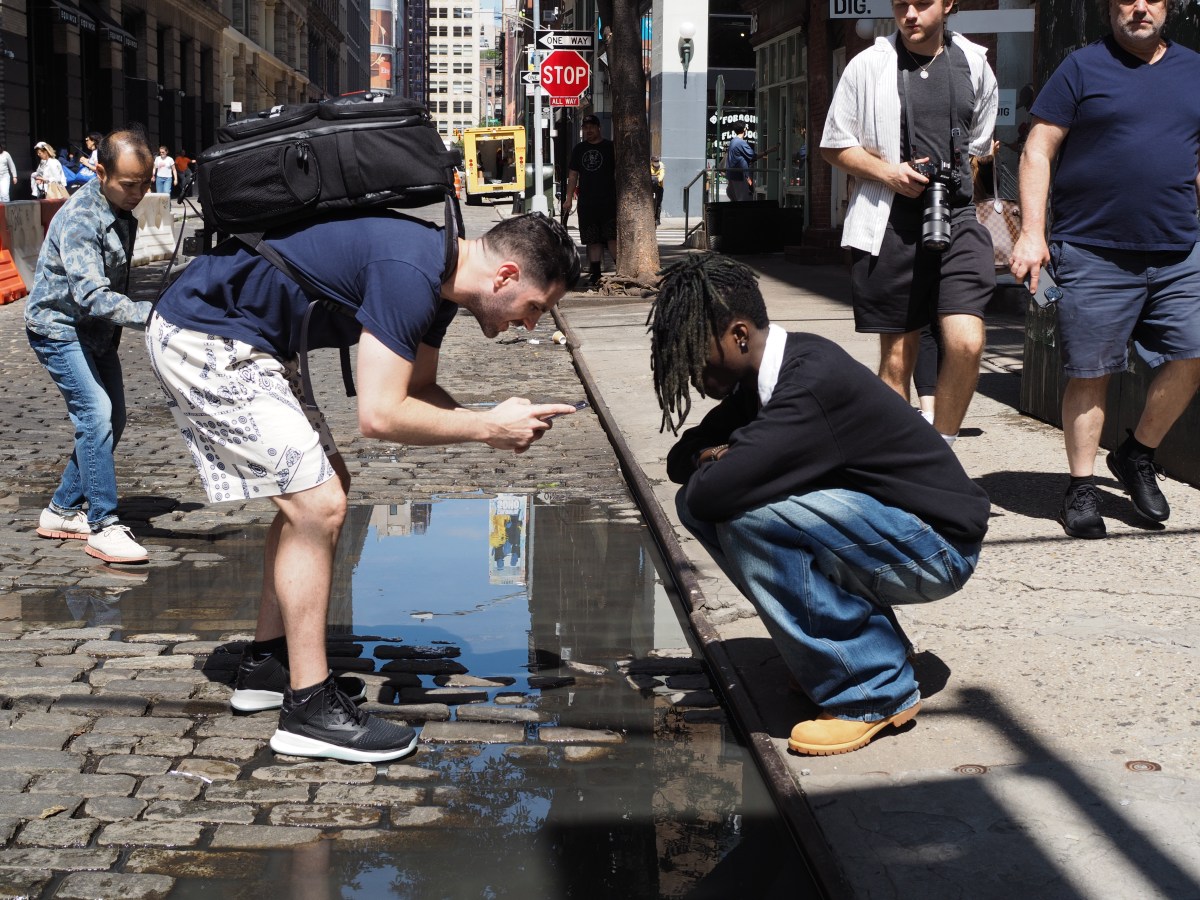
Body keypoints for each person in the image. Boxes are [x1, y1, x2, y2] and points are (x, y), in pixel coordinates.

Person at [146, 210, 581, 762]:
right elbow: (379, 416)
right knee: (317, 504)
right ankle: (308, 710)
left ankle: (266, 664)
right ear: (506, 276)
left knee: (324, 487)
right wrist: (488, 426)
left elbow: (417, 391)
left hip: (250, 338)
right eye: (535, 308)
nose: (530, 325)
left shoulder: (441, 287)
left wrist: (488, 418)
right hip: (205, 335)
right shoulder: (411, 271)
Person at [648, 253, 988, 755]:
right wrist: (719, 454)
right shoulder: (768, 376)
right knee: (712, 508)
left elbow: (713, 489)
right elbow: (684, 461)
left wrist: (729, 459)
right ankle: (857, 654)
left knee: (748, 517)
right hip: (890, 531)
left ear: (738, 335)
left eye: (694, 352)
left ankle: (872, 691)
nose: (692, 372)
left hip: (937, 548)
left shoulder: (809, 384)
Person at [1010, 0, 1200, 539]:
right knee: (1091, 370)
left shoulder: (1195, 71)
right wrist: (1032, 232)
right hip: (1092, 249)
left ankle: (1137, 454)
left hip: (1179, 249)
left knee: (1195, 350)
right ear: (1111, 7)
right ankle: (1081, 486)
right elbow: (1037, 150)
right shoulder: (1081, 67)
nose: (1139, 7)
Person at [820, 0, 998, 445]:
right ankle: (897, 461)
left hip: (956, 215)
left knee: (966, 342)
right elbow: (833, 144)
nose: (910, 14)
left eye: (922, 3)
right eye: (902, 4)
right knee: (898, 358)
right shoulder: (868, 66)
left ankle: (941, 451)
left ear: (949, 4)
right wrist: (888, 173)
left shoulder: (975, 65)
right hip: (889, 219)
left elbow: (979, 149)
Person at [25, 130, 156, 565]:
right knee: (96, 414)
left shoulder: (120, 209)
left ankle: (62, 510)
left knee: (112, 418)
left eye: (146, 182)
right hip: (58, 327)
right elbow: (92, 295)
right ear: (100, 173)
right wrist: (153, 314)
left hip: (97, 334)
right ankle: (103, 524)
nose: (139, 193)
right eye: (129, 183)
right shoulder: (83, 218)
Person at [563, 113, 617, 287]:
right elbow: (573, 176)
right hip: (587, 202)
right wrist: (568, 199)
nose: (588, 131)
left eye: (592, 127)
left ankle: (621, 270)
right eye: (585, 128)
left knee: (612, 238)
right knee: (592, 239)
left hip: (609, 201)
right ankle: (595, 274)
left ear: (599, 127)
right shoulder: (579, 149)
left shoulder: (610, 147)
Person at [724, 121, 776, 201]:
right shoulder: (740, 142)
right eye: (746, 127)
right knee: (744, 201)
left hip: (733, 177)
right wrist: (768, 151)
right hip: (739, 177)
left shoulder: (733, 142)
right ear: (744, 129)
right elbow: (753, 156)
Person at [650, 155, 666, 226]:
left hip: (659, 187)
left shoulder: (661, 167)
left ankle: (657, 219)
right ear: (652, 161)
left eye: (657, 161)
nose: (656, 163)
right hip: (650, 187)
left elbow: (662, 175)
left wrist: (658, 180)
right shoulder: (650, 166)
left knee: (658, 202)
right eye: (655, 161)